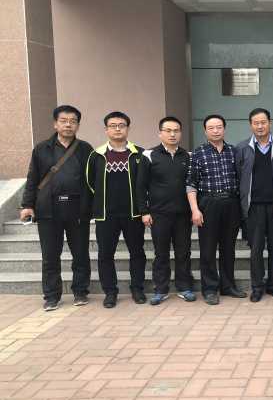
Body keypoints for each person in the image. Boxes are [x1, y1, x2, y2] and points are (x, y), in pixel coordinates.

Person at [20, 105, 94, 311]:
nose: (68, 125)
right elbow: (33, 178)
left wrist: (93, 207)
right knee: (50, 256)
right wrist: (27, 205)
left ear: (78, 125)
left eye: (73, 121)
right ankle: (52, 296)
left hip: (77, 209)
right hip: (48, 210)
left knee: (80, 253)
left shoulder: (85, 149)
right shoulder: (41, 149)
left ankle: (80, 291)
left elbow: (93, 181)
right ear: (55, 124)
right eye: (64, 120)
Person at [86, 111, 146, 308]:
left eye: (122, 125)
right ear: (106, 130)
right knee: (105, 255)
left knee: (137, 252)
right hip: (106, 215)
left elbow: (146, 183)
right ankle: (110, 292)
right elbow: (90, 183)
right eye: (113, 126)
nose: (118, 129)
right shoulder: (96, 155)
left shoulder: (139, 154)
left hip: (133, 213)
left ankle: (137, 289)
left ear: (128, 128)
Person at [187, 114, 245, 305]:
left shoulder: (234, 151)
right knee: (208, 249)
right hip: (208, 204)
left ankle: (228, 286)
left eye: (219, 127)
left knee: (229, 248)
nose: (215, 130)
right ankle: (210, 289)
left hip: (231, 203)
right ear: (205, 131)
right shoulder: (198, 153)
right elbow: (191, 184)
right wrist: (195, 210)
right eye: (211, 128)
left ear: (224, 129)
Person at [137, 117, 195, 306]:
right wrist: (144, 211)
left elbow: (192, 184)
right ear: (160, 133)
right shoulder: (149, 155)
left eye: (176, 130)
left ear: (180, 133)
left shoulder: (188, 156)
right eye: (168, 130)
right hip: (158, 214)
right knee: (161, 253)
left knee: (183, 252)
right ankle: (161, 289)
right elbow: (140, 186)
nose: (172, 134)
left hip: (183, 214)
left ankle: (184, 287)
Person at [236, 108, 273, 302]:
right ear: (251, 125)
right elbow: (239, 177)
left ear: (270, 123)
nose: (260, 126)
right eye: (256, 123)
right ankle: (257, 287)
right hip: (254, 207)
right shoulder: (242, 148)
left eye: (263, 122)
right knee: (256, 250)